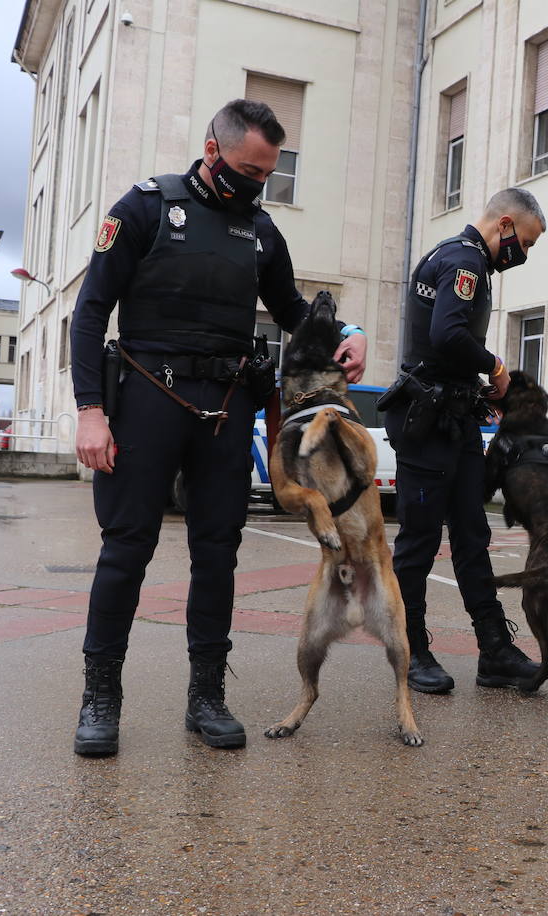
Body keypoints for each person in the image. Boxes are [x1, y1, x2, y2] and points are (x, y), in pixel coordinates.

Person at [69, 100, 367, 756]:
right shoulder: (145, 209)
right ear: (211, 152)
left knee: (218, 552)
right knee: (126, 548)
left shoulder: (261, 233)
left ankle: (206, 695)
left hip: (226, 405)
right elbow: (90, 313)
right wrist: (91, 409)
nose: (256, 184)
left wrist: (347, 332)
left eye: (268, 174)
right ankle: (100, 696)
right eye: (245, 170)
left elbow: (291, 308)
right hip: (147, 395)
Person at [388, 187, 547, 694]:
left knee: (472, 538)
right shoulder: (465, 262)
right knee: (418, 544)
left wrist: (479, 390)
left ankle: (494, 650)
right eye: (523, 242)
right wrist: (496, 368)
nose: (521, 254)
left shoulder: (459, 258)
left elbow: (447, 350)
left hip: (452, 421)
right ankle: (409, 651)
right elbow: (448, 335)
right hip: (428, 426)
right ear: (504, 225)